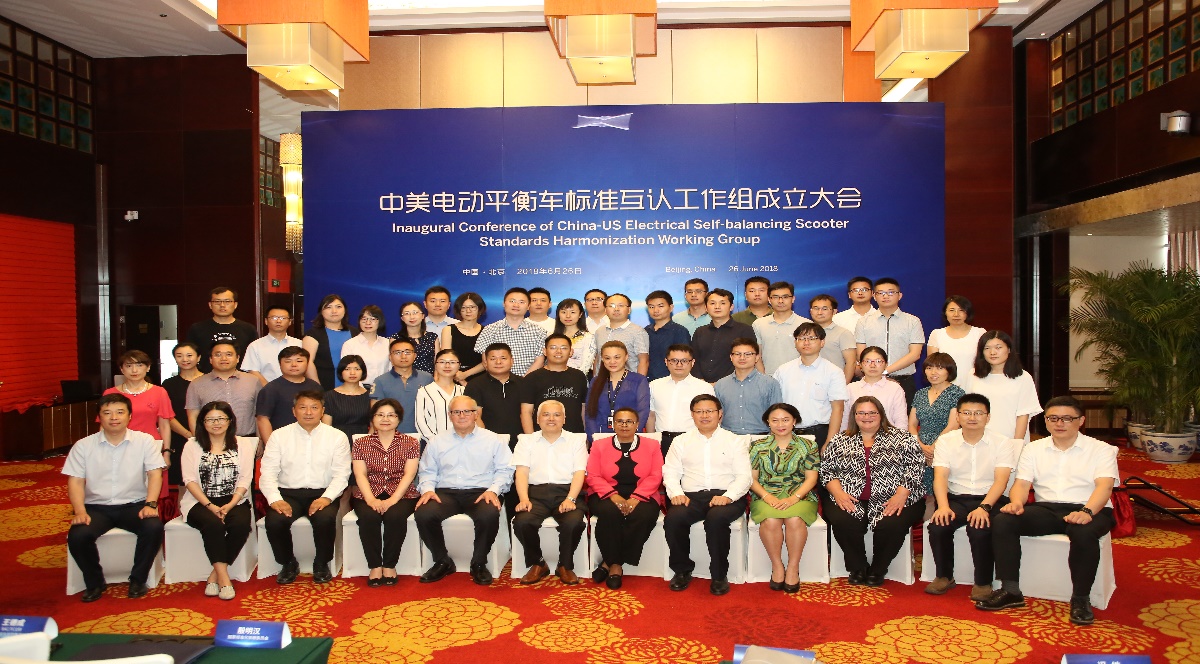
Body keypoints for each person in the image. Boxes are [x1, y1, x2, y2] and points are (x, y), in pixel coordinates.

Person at [978, 396, 1119, 626]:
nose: (1059, 423)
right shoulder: (1034, 448)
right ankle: (1010, 590)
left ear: (1081, 420)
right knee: (1004, 520)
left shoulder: (1101, 449)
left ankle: (1081, 599)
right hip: (1047, 508)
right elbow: (1022, 484)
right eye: (1053, 418)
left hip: (1090, 508)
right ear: (1045, 421)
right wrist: (1017, 503)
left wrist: (1087, 511)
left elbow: (1105, 486)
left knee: (1083, 532)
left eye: (1067, 418)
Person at [64, 393, 166, 602]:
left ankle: (138, 579)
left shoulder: (145, 441)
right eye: (107, 413)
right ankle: (94, 582)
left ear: (129, 416)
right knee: (78, 535)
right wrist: (80, 511)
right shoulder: (83, 445)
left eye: (120, 412)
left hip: (134, 505)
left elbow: (155, 474)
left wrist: (150, 503)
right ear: (99, 417)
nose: (114, 418)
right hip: (96, 507)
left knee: (153, 527)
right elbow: (75, 481)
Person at [820, 396, 926, 587]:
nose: (866, 417)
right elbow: (826, 470)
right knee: (843, 520)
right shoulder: (840, 439)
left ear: (881, 414)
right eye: (861, 413)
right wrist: (838, 494)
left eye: (872, 413)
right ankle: (857, 568)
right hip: (849, 495)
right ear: (854, 415)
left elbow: (915, 468)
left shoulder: (903, 438)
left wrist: (900, 495)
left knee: (890, 524)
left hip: (896, 496)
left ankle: (878, 569)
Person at [926, 393, 1018, 601]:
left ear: (988, 417)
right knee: (939, 525)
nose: (972, 417)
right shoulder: (946, 441)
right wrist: (942, 506)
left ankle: (983, 582)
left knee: (980, 528)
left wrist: (984, 507)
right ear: (957, 416)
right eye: (966, 413)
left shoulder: (1002, 442)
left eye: (978, 413)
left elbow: (1001, 481)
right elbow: (940, 478)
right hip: (957, 498)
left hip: (991, 499)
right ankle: (944, 576)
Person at [414, 395, 514, 586]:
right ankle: (442, 561)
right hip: (445, 492)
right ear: (450, 415)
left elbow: (505, 470)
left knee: (488, 514)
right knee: (424, 513)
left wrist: (494, 490)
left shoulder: (493, 440)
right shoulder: (437, 441)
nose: (461, 416)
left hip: (481, 491)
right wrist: (427, 490)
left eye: (467, 411)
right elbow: (427, 471)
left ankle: (479, 563)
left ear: (476, 414)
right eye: (456, 412)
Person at [259, 390, 351, 585]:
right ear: (294, 411)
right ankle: (288, 563)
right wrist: (275, 499)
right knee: (275, 521)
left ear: (322, 411)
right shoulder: (279, 436)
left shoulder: (337, 437)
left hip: (323, 492)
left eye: (314, 407)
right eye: (303, 407)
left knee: (325, 519)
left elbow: (342, 474)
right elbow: (267, 473)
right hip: (287, 493)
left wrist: (327, 497)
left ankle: (322, 563)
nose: (308, 412)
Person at [663, 394, 752, 596]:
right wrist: (676, 493)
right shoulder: (680, 441)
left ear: (720, 414)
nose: (704, 415)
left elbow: (744, 477)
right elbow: (670, 472)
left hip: (726, 495)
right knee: (674, 518)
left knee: (716, 519)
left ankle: (719, 575)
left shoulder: (735, 441)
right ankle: (682, 570)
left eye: (709, 411)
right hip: (691, 496)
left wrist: (728, 496)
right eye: (699, 411)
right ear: (692, 414)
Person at [179, 401, 255, 600]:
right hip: (199, 501)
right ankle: (224, 579)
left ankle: (214, 576)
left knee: (240, 525)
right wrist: (210, 506)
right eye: (210, 419)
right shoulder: (192, 445)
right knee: (213, 525)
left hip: (234, 500)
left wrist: (231, 503)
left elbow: (245, 478)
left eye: (221, 418)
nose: (216, 423)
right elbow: (189, 480)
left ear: (230, 421)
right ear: (202, 423)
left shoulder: (243, 444)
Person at [586, 406, 666, 590]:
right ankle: (616, 565)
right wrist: (614, 496)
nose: (624, 425)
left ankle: (610, 562)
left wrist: (635, 498)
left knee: (644, 515)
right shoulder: (599, 445)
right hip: (606, 493)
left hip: (643, 493)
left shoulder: (652, 445)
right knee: (609, 513)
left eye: (629, 421)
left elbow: (656, 476)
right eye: (620, 421)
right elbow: (593, 476)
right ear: (613, 424)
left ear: (637, 424)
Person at [511, 400, 588, 584]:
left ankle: (565, 565)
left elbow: (579, 473)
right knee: (522, 521)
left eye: (556, 414)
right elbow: (521, 473)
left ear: (564, 419)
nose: (551, 418)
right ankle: (538, 563)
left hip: (567, 492)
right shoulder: (526, 441)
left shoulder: (576, 441)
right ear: (538, 419)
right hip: (535, 495)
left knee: (573, 522)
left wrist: (571, 499)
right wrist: (524, 499)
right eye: (546, 414)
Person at [749, 403, 820, 593]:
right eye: (775, 420)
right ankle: (777, 566)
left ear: (794, 421)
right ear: (768, 422)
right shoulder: (757, 446)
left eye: (785, 420)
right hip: (765, 493)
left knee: (794, 519)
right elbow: (752, 479)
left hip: (800, 494)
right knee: (771, 520)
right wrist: (767, 496)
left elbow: (811, 478)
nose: (780, 424)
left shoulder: (808, 445)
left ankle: (793, 567)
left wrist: (794, 498)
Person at [350, 399, 421, 587]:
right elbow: (360, 474)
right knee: (368, 517)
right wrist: (371, 499)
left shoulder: (411, 442)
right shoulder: (361, 443)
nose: (385, 419)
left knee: (395, 517)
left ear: (399, 419)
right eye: (380, 415)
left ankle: (389, 565)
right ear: (373, 418)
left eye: (391, 415)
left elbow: (409, 474)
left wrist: (393, 499)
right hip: (368, 492)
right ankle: (374, 565)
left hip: (402, 493)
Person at [103, 351, 173, 494]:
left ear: (148, 367)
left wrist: (166, 453)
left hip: (152, 447)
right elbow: (104, 425)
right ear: (122, 369)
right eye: (129, 366)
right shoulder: (110, 393)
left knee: (152, 491)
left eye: (139, 365)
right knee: (121, 490)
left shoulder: (159, 392)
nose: (134, 370)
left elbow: (164, 425)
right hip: (119, 447)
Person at [773, 323, 848, 448]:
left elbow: (838, 409)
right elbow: (775, 405)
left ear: (822, 342)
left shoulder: (833, 372)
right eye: (802, 338)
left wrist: (830, 442)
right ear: (795, 342)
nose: (806, 342)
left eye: (812, 338)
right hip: (787, 433)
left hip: (819, 433)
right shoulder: (783, 370)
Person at [855, 277, 925, 407]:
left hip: (903, 381)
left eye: (891, 292)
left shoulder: (913, 321)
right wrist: (879, 373)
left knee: (902, 419)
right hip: (872, 381)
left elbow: (915, 354)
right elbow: (861, 353)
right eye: (881, 293)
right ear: (874, 296)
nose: (886, 296)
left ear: (900, 295)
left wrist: (885, 372)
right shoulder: (863, 322)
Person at [967, 331, 1042, 442]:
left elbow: (1023, 415)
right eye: (987, 348)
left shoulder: (1023, 377)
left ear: (1009, 349)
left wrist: (1016, 443)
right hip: (979, 440)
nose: (992, 352)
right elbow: (968, 409)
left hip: (1009, 439)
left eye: (998, 347)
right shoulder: (973, 375)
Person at [909, 353, 966, 495]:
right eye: (929, 368)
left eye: (939, 368)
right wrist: (921, 447)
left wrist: (934, 448)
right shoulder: (920, 394)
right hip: (920, 447)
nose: (933, 372)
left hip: (946, 446)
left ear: (949, 370)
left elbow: (953, 425)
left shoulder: (957, 393)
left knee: (942, 491)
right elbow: (911, 425)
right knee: (921, 493)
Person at [648, 344, 715, 455]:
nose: (679, 365)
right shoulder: (654, 385)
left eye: (684, 361)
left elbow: (711, 417)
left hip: (692, 441)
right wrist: (652, 440)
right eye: (674, 360)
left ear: (692, 362)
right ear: (666, 362)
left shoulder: (704, 388)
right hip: (662, 440)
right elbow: (651, 415)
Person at [185, 343, 260, 437]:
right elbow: (193, 416)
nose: (224, 358)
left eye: (229, 354)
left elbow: (260, 415)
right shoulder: (196, 384)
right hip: (210, 440)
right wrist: (199, 441)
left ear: (237, 358)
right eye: (218, 355)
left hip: (248, 440)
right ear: (210, 359)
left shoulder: (253, 381)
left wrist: (260, 440)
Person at [521, 333, 589, 435]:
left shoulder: (579, 376)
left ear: (571, 352)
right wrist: (530, 439)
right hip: (542, 437)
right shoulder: (532, 378)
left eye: (564, 348)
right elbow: (526, 412)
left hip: (574, 437)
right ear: (545, 351)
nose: (558, 351)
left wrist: (584, 436)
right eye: (553, 347)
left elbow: (583, 409)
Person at [464, 343, 527, 451]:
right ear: (485, 362)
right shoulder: (475, 385)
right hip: (487, 445)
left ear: (512, 361)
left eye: (503, 358)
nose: (498, 362)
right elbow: (475, 416)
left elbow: (528, 414)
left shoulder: (523, 384)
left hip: (520, 445)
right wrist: (486, 441)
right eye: (493, 359)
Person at [714, 339, 781, 436]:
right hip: (729, 438)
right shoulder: (721, 384)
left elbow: (777, 414)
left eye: (748, 354)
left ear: (757, 357)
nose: (742, 358)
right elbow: (718, 415)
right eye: (737, 354)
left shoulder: (770, 383)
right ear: (731, 357)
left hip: (761, 438)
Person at [256, 346, 323, 444]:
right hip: (282, 442)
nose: (294, 365)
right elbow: (263, 419)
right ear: (280, 364)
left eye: (299, 361)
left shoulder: (315, 387)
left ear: (307, 363)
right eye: (288, 361)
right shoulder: (271, 389)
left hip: (313, 441)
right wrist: (271, 446)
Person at [473, 288, 547, 376]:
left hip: (530, 381)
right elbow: (486, 361)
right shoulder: (490, 330)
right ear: (504, 304)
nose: (516, 305)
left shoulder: (539, 331)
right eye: (512, 301)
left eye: (521, 302)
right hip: (498, 381)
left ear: (528, 306)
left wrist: (523, 381)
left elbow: (539, 361)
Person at [585, 341, 650, 441]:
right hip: (600, 438)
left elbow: (643, 412)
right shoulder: (596, 381)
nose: (612, 362)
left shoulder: (639, 380)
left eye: (617, 357)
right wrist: (595, 438)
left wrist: (628, 438)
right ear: (602, 359)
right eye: (607, 358)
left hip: (629, 439)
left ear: (626, 357)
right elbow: (590, 414)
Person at [186, 287, 258, 373]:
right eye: (217, 301)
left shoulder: (248, 329)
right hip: (206, 377)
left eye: (227, 301)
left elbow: (254, 359)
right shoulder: (197, 329)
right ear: (210, 305)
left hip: (241, 378)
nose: (222, 305)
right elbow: (190, 355)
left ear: (235, 304)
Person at [371, 338, 433, 436]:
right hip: (391, 436)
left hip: (423, 435)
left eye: (407, 352)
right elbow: (375, 413)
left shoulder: (427, 378)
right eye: (398, 352)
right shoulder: (380, 381)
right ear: (390, 357)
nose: (403, 356)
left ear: (415, 355)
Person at [691, 288, 754, 383]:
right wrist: (702, 382)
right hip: (702, 385)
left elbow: (748, 360)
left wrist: (721, 384)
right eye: (712, 303)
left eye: (722, 303)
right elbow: (694, 358)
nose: (717, 307)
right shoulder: (700, 332)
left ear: (731, 307)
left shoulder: (744, 330)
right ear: (706, 308)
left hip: (734, 384)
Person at [162, 342, 203, 486]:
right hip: (180, 437)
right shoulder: (168, 384)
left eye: (189, 355)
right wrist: (188, 435)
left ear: (198, 357)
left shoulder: (209, 380)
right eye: (179, 356)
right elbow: (167, 415)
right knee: (184, 482)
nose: (185, 359)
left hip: (208, 436)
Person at [841, 347, 907, 432]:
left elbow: (901, 421)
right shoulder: (850, 388)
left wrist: (899, 439)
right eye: (867, 361)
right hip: (856, 437)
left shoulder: (895, 388)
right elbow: (845, 420)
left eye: (878, 361)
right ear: (860, 365)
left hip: (888, 437)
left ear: (886, 365)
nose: (872, 365)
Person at [927, 296, 986, 388]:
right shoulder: (937, 334)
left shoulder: (979, 333)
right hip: (946, 388)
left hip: (975, 385)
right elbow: (932, 366)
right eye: (951, 310)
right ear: (945, 312)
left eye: (961, 310)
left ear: (968, 312)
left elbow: (985, 362)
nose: (956, 314)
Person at [753, 281, 810, 376]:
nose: (780, 301)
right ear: (769, 299)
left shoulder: (806, 324)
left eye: (785, 297)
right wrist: (763, 377)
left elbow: (810, 354)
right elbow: (757, 355)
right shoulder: (759, 324)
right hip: (769, 377)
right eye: (775, 297)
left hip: (798, 377)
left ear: (793, 299)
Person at [303, 294, 355, 390]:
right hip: (324, 386)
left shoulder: (355, 332)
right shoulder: (313, 334)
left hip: (353, 387)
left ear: (345, 310)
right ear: (321, 311)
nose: (334, 311)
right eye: (328, 307)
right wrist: (317, 388)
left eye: (338, 307)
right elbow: (307, 362)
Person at [414, 349, 466, 442]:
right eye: (442, 362)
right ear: (435, 365)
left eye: (452, 362)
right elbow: (420, 422)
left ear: (459, 365)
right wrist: (436, 442)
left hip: (463, 443)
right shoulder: (424, 392)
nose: (447, 366)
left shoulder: (464, 391)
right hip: (435, 445)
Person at [242, 306, 302, 386]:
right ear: (266, 321)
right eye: (274, 318)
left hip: (296, 389)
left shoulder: (299, 344)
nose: (278, 321)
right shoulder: (255, 345)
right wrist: (270, 390)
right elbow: (253, 371)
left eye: (283, 318)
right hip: (265, 390)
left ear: (290, 322)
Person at [594, 293, 650, 375]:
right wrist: (595, 380)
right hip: (602, 381)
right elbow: (598, 358)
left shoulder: (638, 332)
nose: (616, 309)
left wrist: (640, 382)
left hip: (629, 381)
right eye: (611, 306)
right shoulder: (599, 331)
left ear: (629, 310)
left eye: (621, 305)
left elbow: (644, 361)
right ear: (605, 310)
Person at [644, 290, 692, 381]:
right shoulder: (645, 331)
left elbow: (684, 360)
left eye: (660, 306)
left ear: (671, 307)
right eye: (651, 307)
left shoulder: (679, 331)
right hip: (647, 382)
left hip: (671, 381)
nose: (656, 310)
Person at [322, 355, 372, 439]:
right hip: (337, 440)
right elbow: (326, 427)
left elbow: (373, 425)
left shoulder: (370, 396)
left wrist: (365, 443)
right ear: (341, 372)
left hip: (363, 440)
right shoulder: (329, 396)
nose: (352, 373)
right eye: (347, 369)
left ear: (363, 371)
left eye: (357, 369)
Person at [809, 294, 857, 383]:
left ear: (834, 311)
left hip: (833, 383)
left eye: (824, 309)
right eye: (816, 308)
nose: (819, 312)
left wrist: (842, 386)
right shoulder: (804, 333)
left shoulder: (843, 333)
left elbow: (851, 363)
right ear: (811, 311)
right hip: (808, 382)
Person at [340, 305, 391, 387]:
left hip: (384, 388)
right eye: (364, 319)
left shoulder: (387, 343)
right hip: (358, 389)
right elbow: (347, 370)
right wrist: (361, 390)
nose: (368, 323)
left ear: (380, 321)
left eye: (372, 319)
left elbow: (391, 369)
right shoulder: (350, 345)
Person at [441, 292, 485, 384]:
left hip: (480, 379)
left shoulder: (486, 331)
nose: (468, 311)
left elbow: (487, 361)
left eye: (472, 307)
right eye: (464, 307)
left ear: (479, 309)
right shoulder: (448, 330)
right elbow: (446, 358)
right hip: (453, 377)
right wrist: (460, 378)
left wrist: (465, 375)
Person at [553, 298, 596, 374]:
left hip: (578, 377)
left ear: (580, 314)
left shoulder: (588, 337)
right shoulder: (551, 336)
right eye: (563, 312)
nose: (568, 316)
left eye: (572, 312)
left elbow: (585, 366)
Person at [397, 302, 440, 375]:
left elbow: (437, 363)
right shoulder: (396, 339)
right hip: (405, 379)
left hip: (430, 379)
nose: (412, 317)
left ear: (423, 316)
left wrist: (435, 379)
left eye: (415, 313)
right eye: (407, 313)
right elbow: (395, 364)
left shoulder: (433, 337)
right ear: (402, 318)